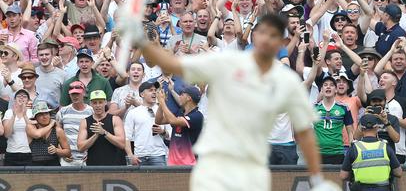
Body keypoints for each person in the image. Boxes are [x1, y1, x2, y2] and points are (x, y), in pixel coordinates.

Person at [120, 13, 338, 190]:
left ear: (280, 43)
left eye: (273, 35)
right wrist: (142, 41)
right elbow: (173, 65)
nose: (265, 39)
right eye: (261, 33)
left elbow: (305, 133)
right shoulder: (226, 62)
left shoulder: (287, 82)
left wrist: (317, 178)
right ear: (253, 36)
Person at [340, 114, 402, 191]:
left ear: (361, 129)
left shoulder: (354, 148)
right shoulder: (385, 147)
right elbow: (398, 172)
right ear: (377, 128)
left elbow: (343, 175)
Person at [155, 85, 203, 165]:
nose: (179, 96)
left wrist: (162, 102)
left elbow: (173, 121)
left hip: (189, 163)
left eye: (182, 94)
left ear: (189, 98)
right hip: (173, 162)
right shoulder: (180, 112)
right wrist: (161, 104)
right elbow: (159, 121)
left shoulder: (197, 116)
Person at [124, 81, 168, 166]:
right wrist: (130, 155)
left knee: (161, 180)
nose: (154, 92)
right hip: (139, 156)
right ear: (142, 94)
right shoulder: (133, 112)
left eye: (155, 90)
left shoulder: (162, 109)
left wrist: (163, 131)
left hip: (158, 155)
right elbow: (126, 136)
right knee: (138, 180)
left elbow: (169, 134)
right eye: (150, 90)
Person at [77, 90, 126, 166]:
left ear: (105, 102)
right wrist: (95, 135)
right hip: (94, 166)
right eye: (95, 103)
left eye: (100, 102)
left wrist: (104, 133)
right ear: (90, 104)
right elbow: (80, 147)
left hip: (115, 165)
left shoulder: (115, 119)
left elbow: (122, 144)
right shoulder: (85, 122)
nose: (98, 105)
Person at [56, 81, 93, 166]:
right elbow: (56, 133)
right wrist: (62, 152)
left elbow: (95, 134)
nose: (75, 96)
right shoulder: (63, 111)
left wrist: (91, 154)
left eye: (77, 93)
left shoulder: (91, 111)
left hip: (86, 158)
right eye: (73, 94)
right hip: (67, 158)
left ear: (83, 93)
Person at [26, 101, 71, 166]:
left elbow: (68, 152)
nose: (44, 116)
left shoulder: (58, 130)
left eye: (46, 113)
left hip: (53, 165)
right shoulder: (31, 127)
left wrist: (57, 150)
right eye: (41, 114)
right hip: (34, 166)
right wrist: (51, 124)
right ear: (36, 117)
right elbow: (37, 135)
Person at [2, 89, 32, 166]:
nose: (21, 97)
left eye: (24, 96)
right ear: (15, 99)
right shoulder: (9, 112)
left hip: (27, 152)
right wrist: (14, 115)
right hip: (11, 152)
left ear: (28, 100)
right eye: (19, 96)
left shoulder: (31, 113)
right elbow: (7, 134)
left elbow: (32, 132)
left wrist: (25, 115)